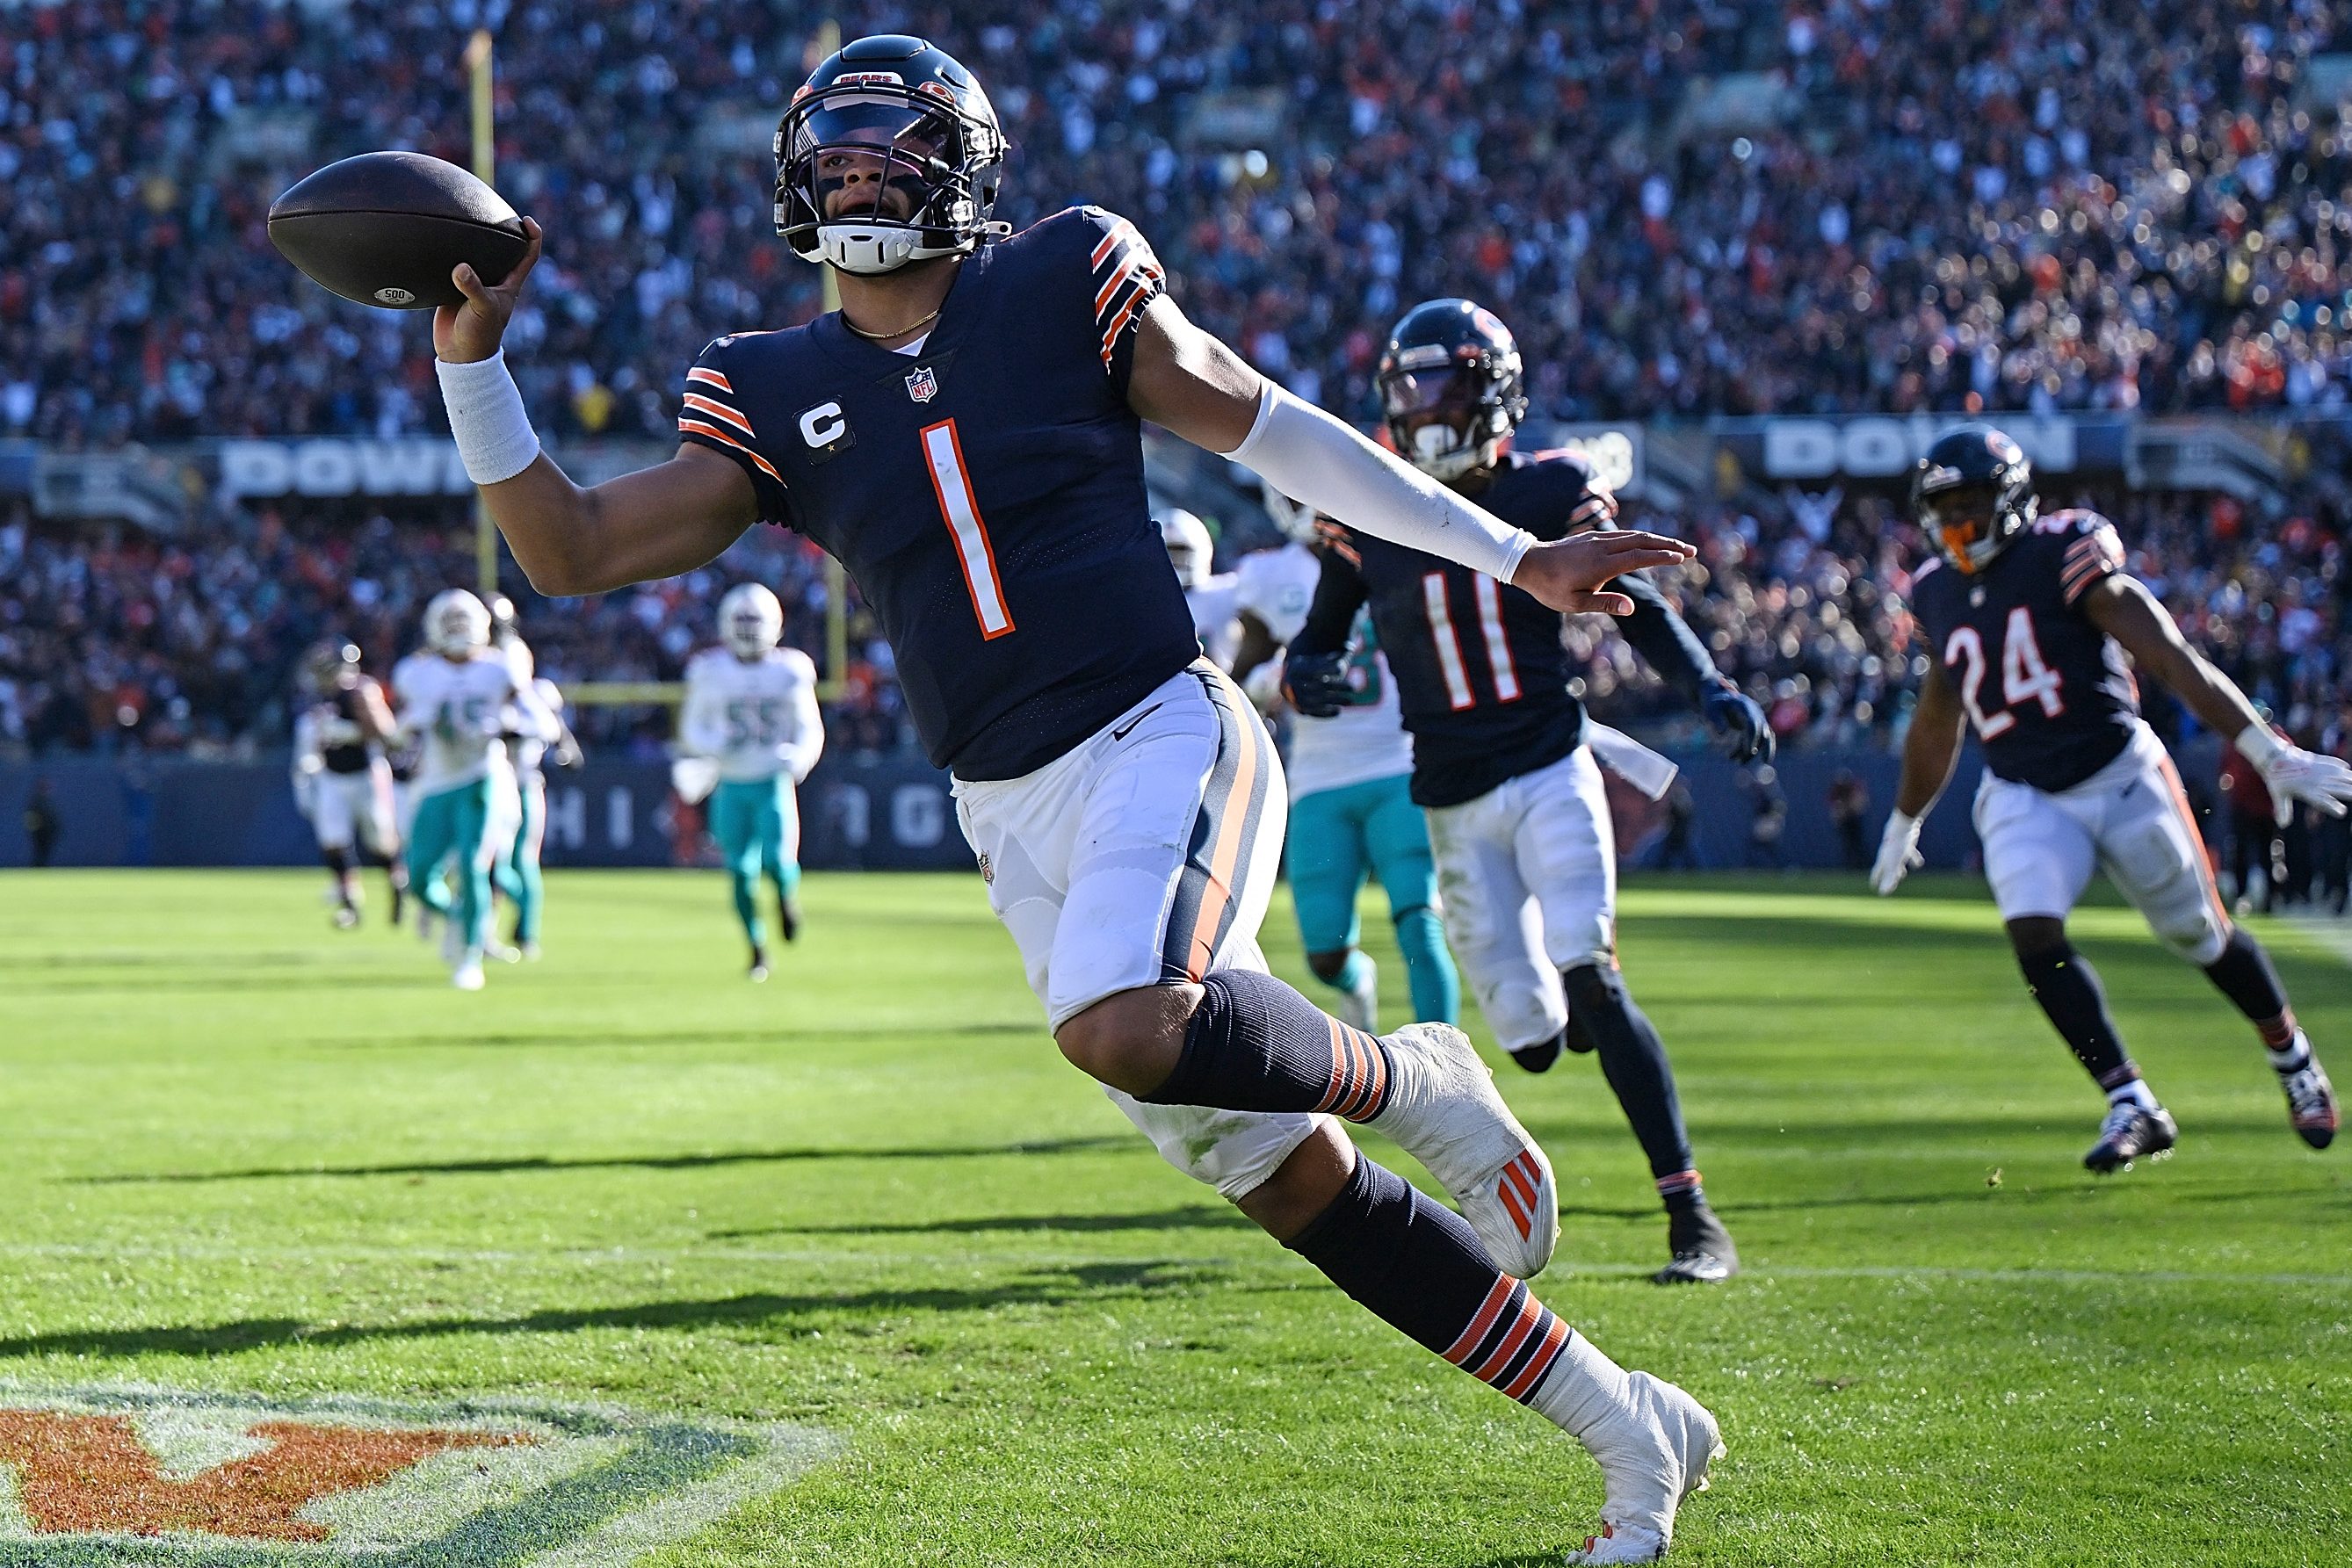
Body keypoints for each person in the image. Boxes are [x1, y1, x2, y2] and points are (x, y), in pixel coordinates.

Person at [423, 34, 1720, 1561]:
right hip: (1006, 810)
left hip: (1160, 733)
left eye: (885, 149)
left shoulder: (1065, 275)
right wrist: (473, 367)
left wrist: (1514, 556)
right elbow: (569, 550)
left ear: (960, 169)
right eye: (830, 154)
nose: (854, 175)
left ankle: (1410, 1074)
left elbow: (1272, 424)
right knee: (1274, 1176)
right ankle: (1626, 1425)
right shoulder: (766, 383)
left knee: (1121, 1021)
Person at [1284, 298, 1772, 1286]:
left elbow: (1637, 609)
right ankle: (1570, 1016)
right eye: (1409, 386)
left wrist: (1708, 684)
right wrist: (1311, 674)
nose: (1422, 407)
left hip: (1550, 768)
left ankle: (1690, 1214)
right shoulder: (1368, 504)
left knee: (1590, 965)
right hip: (1451, 802)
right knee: (1533, 1041)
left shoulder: (1549, 488)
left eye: (1443, 383)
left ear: (1491, 390)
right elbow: (1317, 639)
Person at [1875, 425, 2344, 1168]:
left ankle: (2292, 1058)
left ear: (2010, 498)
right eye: (1944, 506)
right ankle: (2130, 1099)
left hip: (2119, 773)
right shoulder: (1934, 590)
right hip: (2023, 787)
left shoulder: (2064, 551)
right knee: (2032, 931)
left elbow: (2166, 653)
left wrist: (2266, 749)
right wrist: (1906, 815)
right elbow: (1939, 714)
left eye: (1970, 502)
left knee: (2202, 936)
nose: (1956, 521)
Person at [390, 589, 539, 991]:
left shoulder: (499, 669)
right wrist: (405, 730)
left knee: (476, 866)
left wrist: (514, 728)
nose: (457, 632)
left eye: (463, 623)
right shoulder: (417, 672)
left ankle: (471, 956)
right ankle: (462, 917)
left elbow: (538, 719)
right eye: (449, 624)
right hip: (437, 781)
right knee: (419, 876)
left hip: (482, 776)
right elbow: (402, 731)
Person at [677, 582, 824, 980]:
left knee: (778, 863)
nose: (746, 629)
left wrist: (800, 758)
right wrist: (713, 744)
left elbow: (810, 727)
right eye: (740, 621)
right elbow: (692, 728)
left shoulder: (789, 670)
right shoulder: (711, 671)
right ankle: (757, 948)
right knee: (740, 872)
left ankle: (786, 898)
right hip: (730, 782)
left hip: (771, 782)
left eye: (752, 621)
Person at [289, 641, 406, 928]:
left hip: (366, 774)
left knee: (380, 842)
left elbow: (386, 734)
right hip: (332, 777)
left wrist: (351, 733)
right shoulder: (318, 701)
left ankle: (397, 883)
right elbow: (311, 741)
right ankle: (350, 902)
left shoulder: (360, 692)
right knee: (333, 842)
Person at [487, 595, 575, 958]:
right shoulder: (480, 675)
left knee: (515, 860)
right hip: (496, 779)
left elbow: (552, 731)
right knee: (499, 861)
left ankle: (527, 930)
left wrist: (517, 731)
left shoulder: (532, 692)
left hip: (521, 780)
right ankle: (513, 927)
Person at [1827, 770, 1871, 871]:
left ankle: (1862, 864)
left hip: (1853, 819)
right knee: (1848, 844)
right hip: (1845, 821)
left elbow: (1861, 803)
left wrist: (1849, 809)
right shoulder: (1837, 791)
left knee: (1857, 843)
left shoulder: (1853, 789)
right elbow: (1834, 809)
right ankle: (1851, 865)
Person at [23, 777, 60, 867]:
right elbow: (31, 818)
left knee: (44, 852)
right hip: (40, 833)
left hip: (48, 833)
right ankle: (38, 868)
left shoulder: (47, 802)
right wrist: (35, 829)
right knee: (40, 852)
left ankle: (41, 868)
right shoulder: (36, 801)